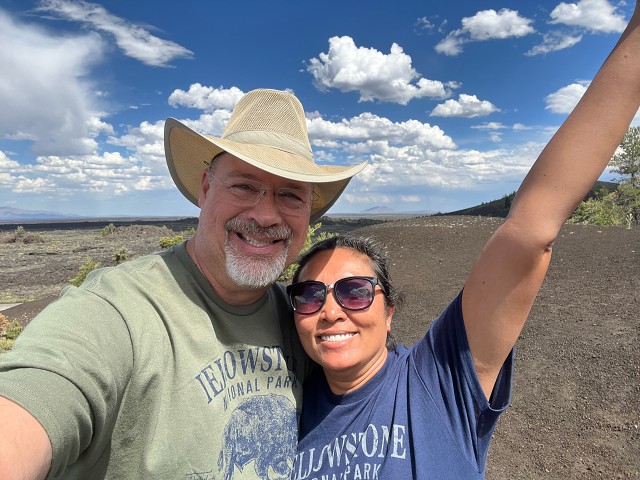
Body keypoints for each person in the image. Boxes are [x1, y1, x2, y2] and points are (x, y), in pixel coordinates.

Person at [286, 4, 640, 479]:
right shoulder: (285, 413)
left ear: (389, 311)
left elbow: (530, 232)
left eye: (355, 290)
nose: (331, 311)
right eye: (309, 296)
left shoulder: (436, 382)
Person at [0, 88, 366, 479]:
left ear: (307, 214)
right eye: (243, 186)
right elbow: (40, 391)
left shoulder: (303, 318)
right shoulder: (117, 309)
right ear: (206, 190)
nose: (264, 215)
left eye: (290, 195)